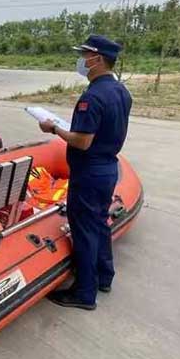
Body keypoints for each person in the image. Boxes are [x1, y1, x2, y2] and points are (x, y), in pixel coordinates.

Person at [38, 34, 132, 311]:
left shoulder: (92, 97)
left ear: (98, 59)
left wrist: (54, 128)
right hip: (107, 168)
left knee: (84, 231)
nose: (82, 59)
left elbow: (82, 140)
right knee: (99, 224)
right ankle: (104, 277)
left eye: (85, 55)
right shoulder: (120, 91)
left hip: (89, 172)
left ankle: (84, 292)